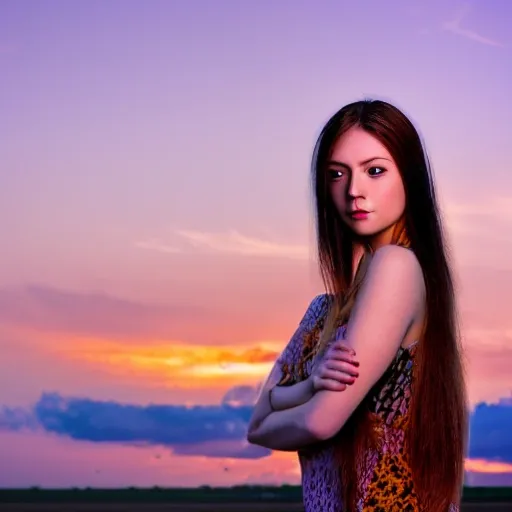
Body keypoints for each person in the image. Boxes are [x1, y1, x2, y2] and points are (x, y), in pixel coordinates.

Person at [247, 99, 468, 512]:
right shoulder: (322, 312)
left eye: (375, 170)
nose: (354, 190)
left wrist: (288, 402)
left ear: (410, 177)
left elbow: (318, 421)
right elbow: (256, 426)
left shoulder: (397, 265)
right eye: (337, 174)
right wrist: (312, 385)